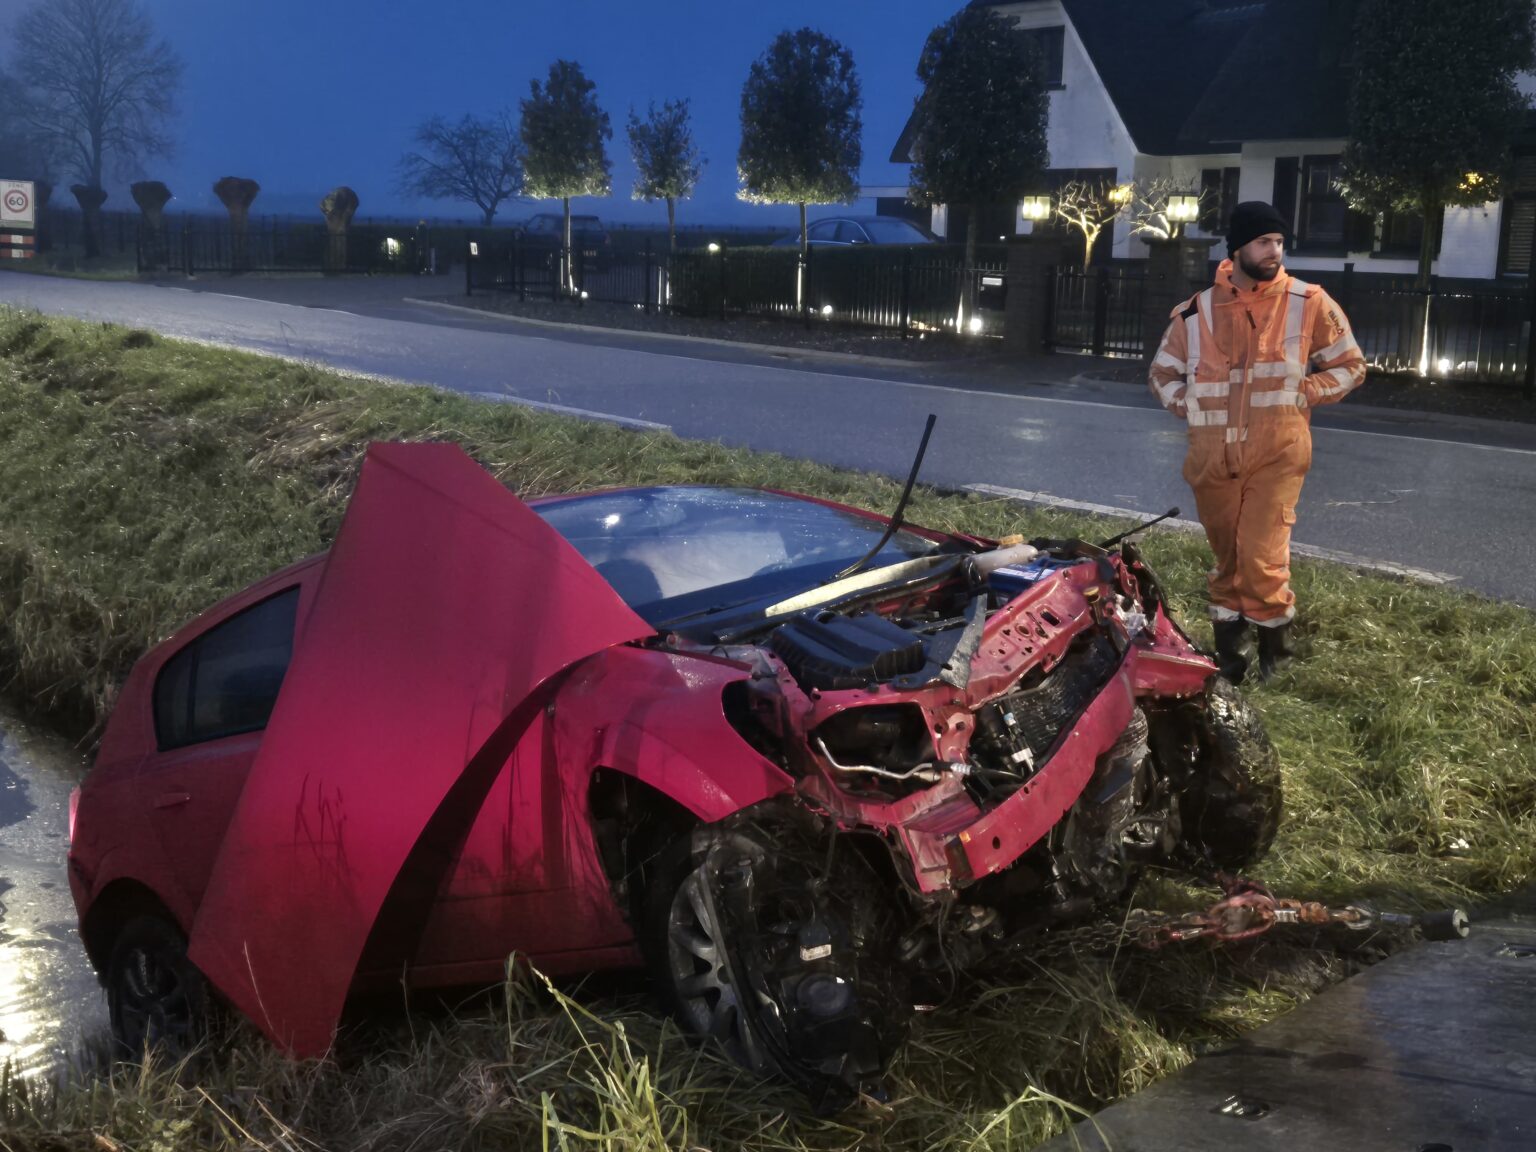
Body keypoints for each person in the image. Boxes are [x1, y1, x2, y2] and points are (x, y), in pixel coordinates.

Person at [1148, 201, 1366, 683]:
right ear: (1238, 248)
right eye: (1265, 241)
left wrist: (1305, 391)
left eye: (1280, 242)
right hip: (1211, 460)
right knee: (1228, 562)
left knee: (1261, 560)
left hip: (1277, 454)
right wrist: (1188, 404)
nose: (1275, 251)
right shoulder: (1195, 312)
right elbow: (1162, 374)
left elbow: (1351, 366)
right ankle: (1232, 661)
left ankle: (1276, 664)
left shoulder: (1309, 302)